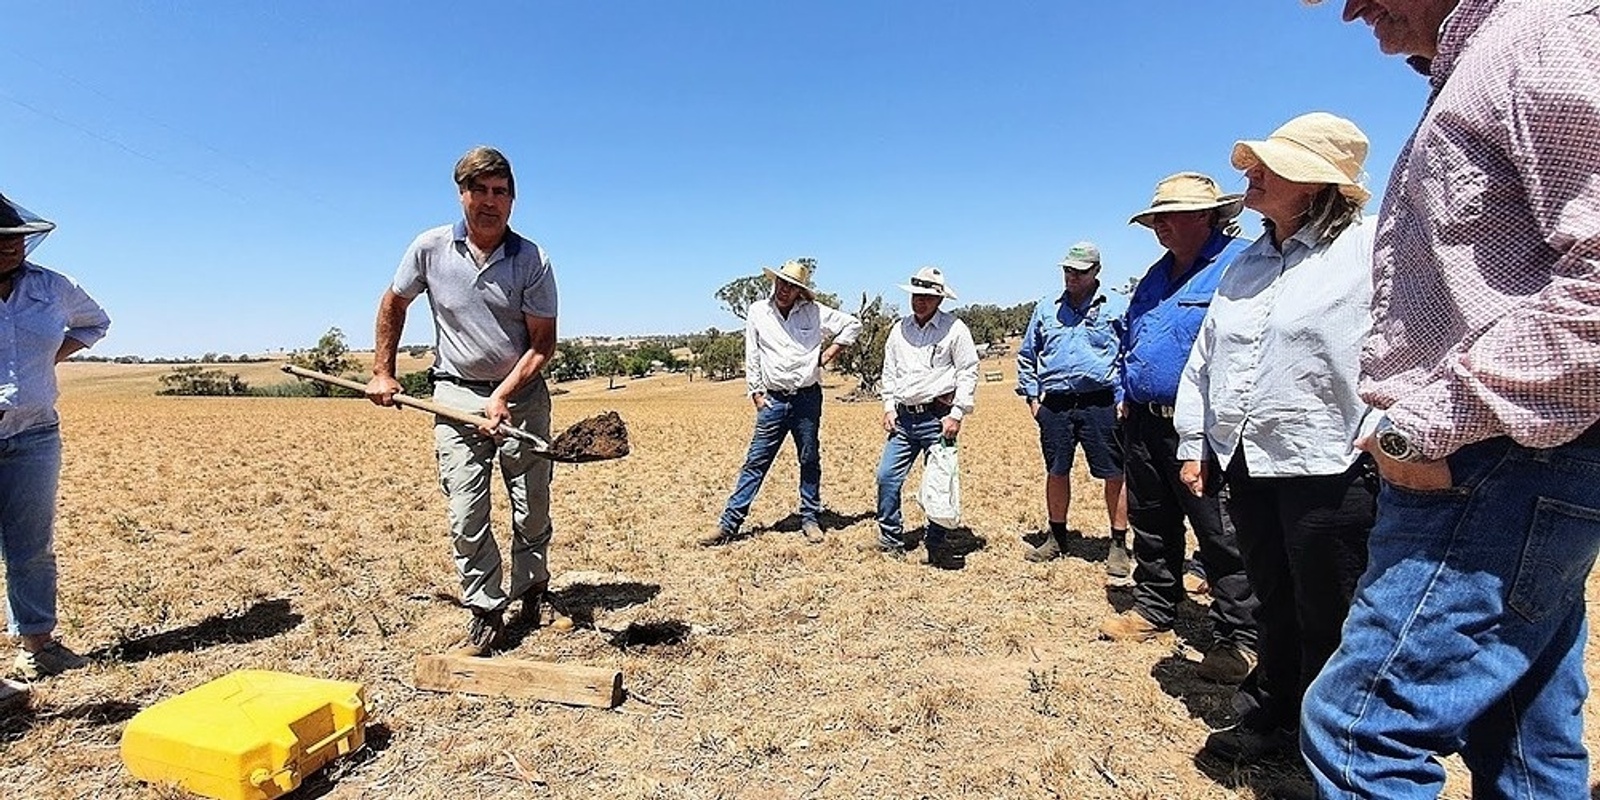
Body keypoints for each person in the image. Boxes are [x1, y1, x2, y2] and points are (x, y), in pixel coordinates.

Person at [1299, 2, 1600, 797]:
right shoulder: (1486, 61)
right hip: (1507, 453)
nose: (1350, 9)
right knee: (1522, 730)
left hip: (1495, 456)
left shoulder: (1543, 37)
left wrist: (1424, 427)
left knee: (1360, 730)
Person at [1171, 113, 1380, 770]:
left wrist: (1391, 436)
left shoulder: (1371, 250)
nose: (1248, 173)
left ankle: (1337, 751)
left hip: (1332, 464)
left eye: (1269, 165)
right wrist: (1192, 439)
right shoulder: (1246, 265)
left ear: (1316, 182)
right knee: (1273, 600)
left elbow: (1408, 348)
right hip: (1250, 461)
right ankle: (1273, 719)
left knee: (1333, 611)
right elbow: (1206, 358)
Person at [365, 146, 558, 655]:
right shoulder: (428, 249)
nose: (490, 202)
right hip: (453, 392)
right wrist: (383, 371)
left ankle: (534, 590)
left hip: (523, 395)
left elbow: (542, 344)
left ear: (513, 200)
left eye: (501, 192)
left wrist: (502, 396)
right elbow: (393, 301)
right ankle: (486, 610)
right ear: (462, 194)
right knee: (466, 509)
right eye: (480, 191)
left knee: (531, 505)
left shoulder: (533, 260)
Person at [1098, 173, 1260, 687]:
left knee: (1221, 530)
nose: (1158, 226)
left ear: (1208, 216)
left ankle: (1241, 638)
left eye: (1168, 216)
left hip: (1210, 425)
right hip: (1146, 421)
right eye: (1154, 218)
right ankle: (1153, 607)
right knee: (1151, 519)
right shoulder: (1153, 276)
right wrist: (1126, 393)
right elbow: (1132, 338)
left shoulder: (1243, 265)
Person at [0, 193, 110, 689]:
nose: (14, 248)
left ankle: (39, 648)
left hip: (35, 434)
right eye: (2, 241)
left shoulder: (52, 287)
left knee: (32, 546)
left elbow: (95, 322)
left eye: (18, 239)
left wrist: (46, 361)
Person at [703, 259, 860, 546]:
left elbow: (853, 325)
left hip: (807, 399)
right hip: (772, 401)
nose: (785, 289)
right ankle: (729, 524)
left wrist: (829, 354)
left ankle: (810, 519)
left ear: (801, 291)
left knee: (809, 459)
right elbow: (753, 353)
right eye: (781, 282)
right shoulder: (758, 312)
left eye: (792, 286)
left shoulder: (814, 312)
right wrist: (756, 393)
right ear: (774, 282)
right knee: (756, 462)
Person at [1016, 242, 1129, 566]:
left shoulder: (1117, 306)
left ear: (1096, 272)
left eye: (1080, 272)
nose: (1072, 277)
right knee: (1056, 470)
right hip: (1056, 405)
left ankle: (1118, 544)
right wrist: (1033, 399)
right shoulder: (1045, 309)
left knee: (1114, 473)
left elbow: (1128, 352)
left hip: (1101, 403)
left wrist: (1122, 398)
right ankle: (1056, 538)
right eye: (1067, 271)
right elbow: (1027, 356)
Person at [869, 267, 980, 566]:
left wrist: (957, 413)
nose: (920, 302)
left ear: (940, 300)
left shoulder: (955, 329)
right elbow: (889, 371)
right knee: (887, 477)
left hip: (938, 417)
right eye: (917, 295)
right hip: (904, 419)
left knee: (939, 483)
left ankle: (936, 542)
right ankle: (890, 538)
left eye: (928, 297)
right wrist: (888, 406)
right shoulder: (899, 329)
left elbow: (968, 371)